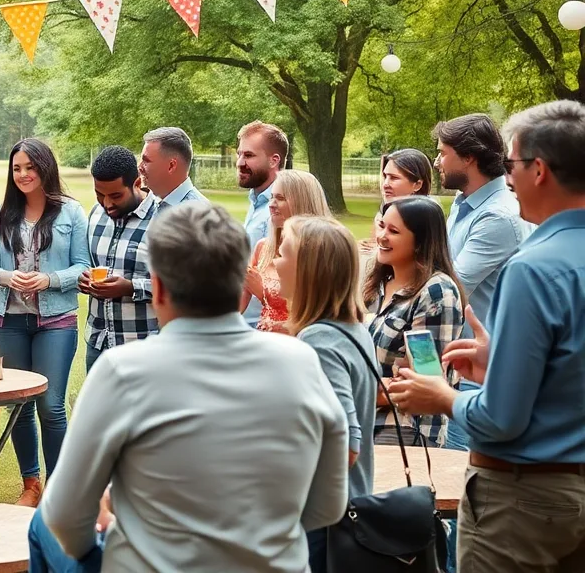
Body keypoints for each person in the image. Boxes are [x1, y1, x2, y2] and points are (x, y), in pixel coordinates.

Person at [30, 202, 349, 572]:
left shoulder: (124, 371)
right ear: (240, 281)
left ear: (159, 289)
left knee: (41, 524)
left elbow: (64, 513)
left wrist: (101, 546)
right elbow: (329, 505)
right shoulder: (301, 362)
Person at [390, 100, 585, 572]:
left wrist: (442, 396)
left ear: (539, 170)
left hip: (522, 501)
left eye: (512, 164)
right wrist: (503, 361)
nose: (508, 177)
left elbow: (501, 418)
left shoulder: (533, 268)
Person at [0, 138, 90, 508]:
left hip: (56, 321)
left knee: (51, 405)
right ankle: (31, 485)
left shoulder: (71, 213)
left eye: (30, 167)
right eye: (17, 168)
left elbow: (83, 267)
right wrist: (7, 277)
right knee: (19, 405)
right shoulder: (2, 214)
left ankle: (59, 492)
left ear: (45, 168)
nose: (23, 174)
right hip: (8, 321)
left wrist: (49, 280)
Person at [276, 216, 379, 572]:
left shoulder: (318, 339)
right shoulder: (352, 328)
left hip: (323, 520)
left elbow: (346, 444)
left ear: (307, 270)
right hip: (344, 511)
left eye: (282, 253)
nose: (274, 261)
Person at [432, 114, 530, 457]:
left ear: (469, 158)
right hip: (462, 363)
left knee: (456, 466)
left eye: (443, 153)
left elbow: (450, 287)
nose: (437, 161)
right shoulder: (465, 204)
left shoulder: (497, 216)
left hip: (480, 370)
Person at [364, 196, 464, 446]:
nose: (382, 236)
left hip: (405, 432)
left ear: (420, 242)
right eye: (382, 226)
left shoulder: (436, 292)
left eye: (394, 231)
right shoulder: (379, 286)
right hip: (363, 422)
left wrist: (356, 389)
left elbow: (425, 382)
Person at [79, 145, 155, 371]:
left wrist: (130, 288)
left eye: (115, 196)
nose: (107, 204)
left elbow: (182, 286)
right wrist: (83, 279)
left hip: (144, 347)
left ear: (137, 183)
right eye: (99, 195)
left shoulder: (163, 220)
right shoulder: (95, 215)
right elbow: (87, 264)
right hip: (98, 343)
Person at [238, 169, 329, 334]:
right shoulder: (263, 248)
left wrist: (264, 294)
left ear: (302, 203)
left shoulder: (320, 254)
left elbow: (316, 318)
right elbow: (239, 301)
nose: (271, 205)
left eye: (280, 198)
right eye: (271, 197)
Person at [236, 121, 289, 327]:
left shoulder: (281, 210)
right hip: (244, 322)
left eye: (249, 155)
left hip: (267, 328)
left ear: (274, 160)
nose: (240, 162)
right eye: (239, 154)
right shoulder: (257, 202)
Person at [364, 149, 434, 256]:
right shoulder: (382, 214)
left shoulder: (427, 221)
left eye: (394, 178)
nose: (385, 184)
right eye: (385, 176)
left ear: (417, 185)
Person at [138, 126, 206, 208]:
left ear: (171, 166)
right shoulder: (149, 203)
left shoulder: (198, 213)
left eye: (146, 161)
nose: (140, 167)